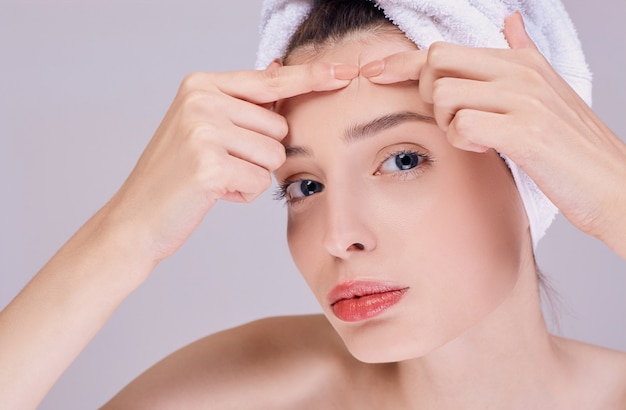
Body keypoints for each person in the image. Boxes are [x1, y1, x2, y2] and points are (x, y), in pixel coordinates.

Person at [1, 0, 625, 408]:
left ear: (530, 163)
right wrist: (126, 232)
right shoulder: (257, 391)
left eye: (403, 159)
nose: (338, 236)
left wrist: (614, 192)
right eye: (304, 185)